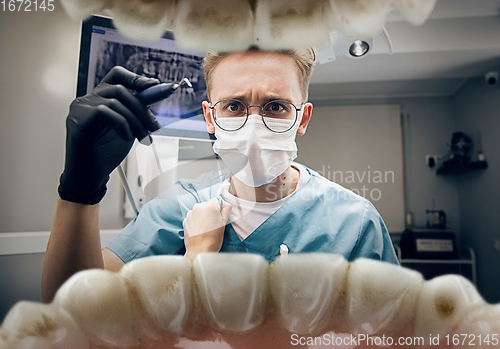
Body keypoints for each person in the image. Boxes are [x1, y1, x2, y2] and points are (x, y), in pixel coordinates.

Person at [42, 48, 398, 304]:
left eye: (275, 106)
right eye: (234, 106)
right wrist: (80, 189)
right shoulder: (174, 209)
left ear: (301, 119)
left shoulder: (354, 222)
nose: (254, 122)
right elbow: (73, 306)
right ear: (210, 119)